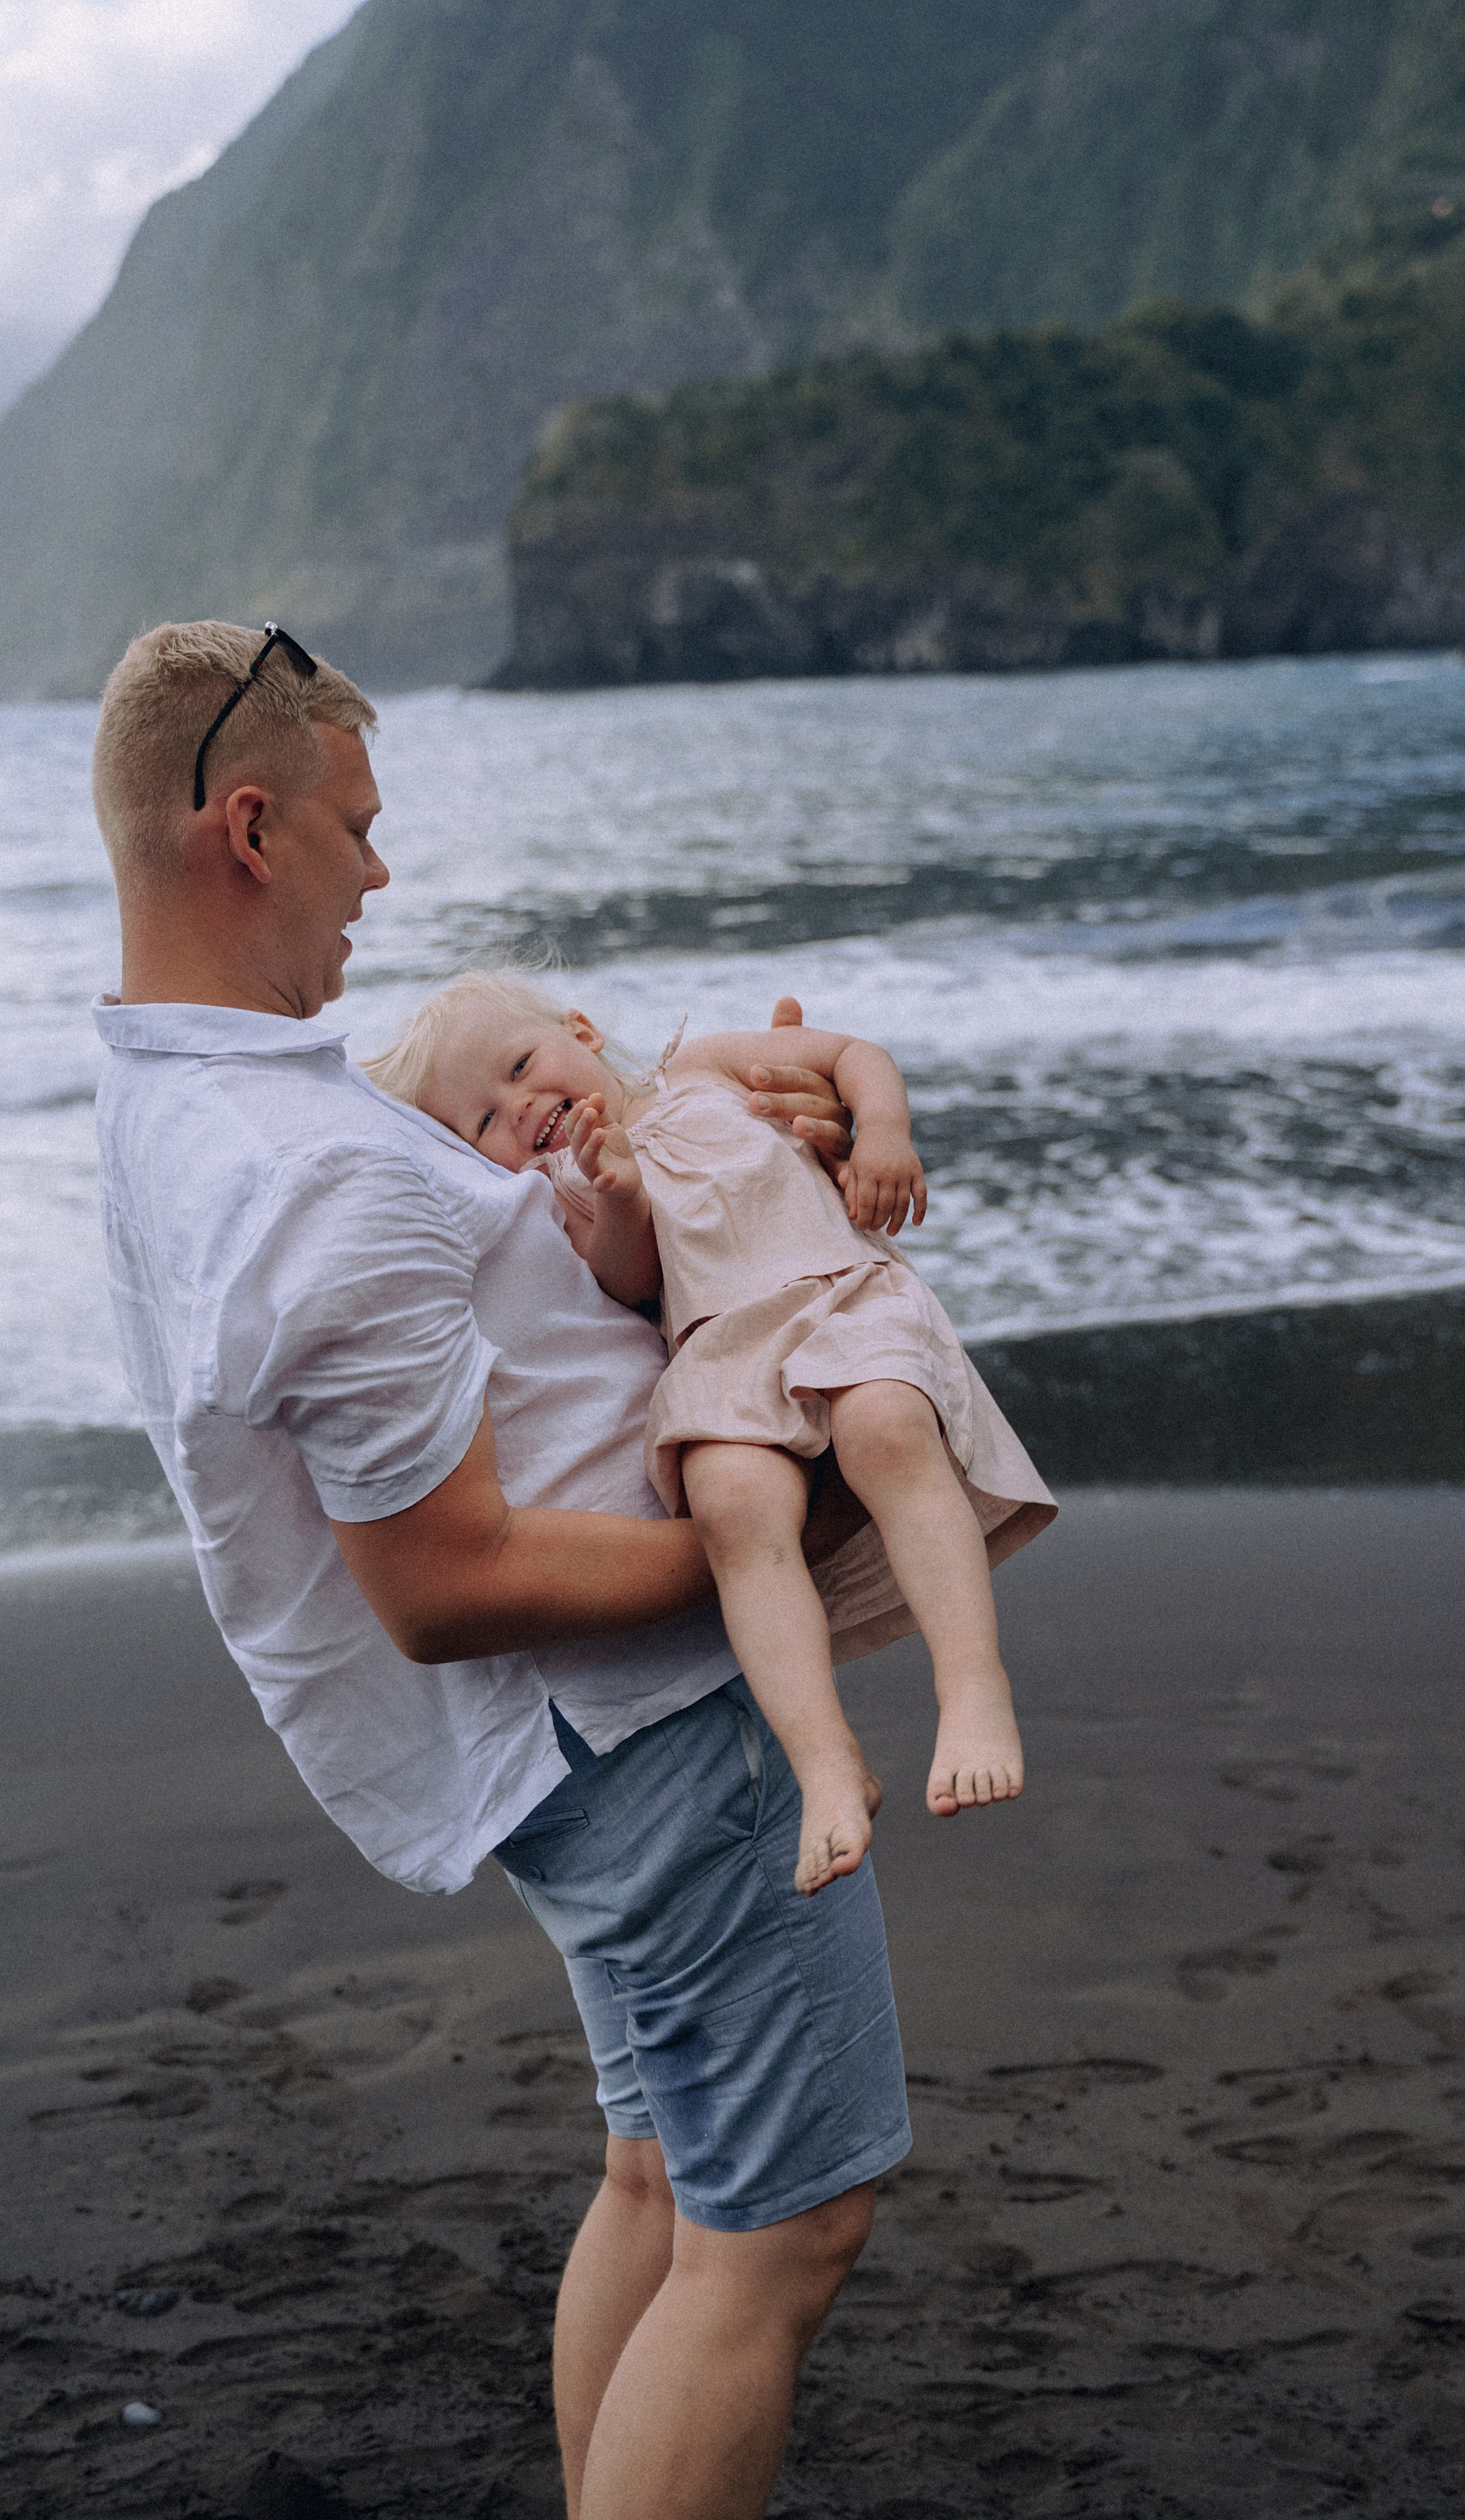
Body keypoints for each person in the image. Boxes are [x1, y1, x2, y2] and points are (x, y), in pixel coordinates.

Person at [89, 620, 918, 2520]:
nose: (382, 872)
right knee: (781, 2235)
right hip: (642, 1746)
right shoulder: (320, 1171)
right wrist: (764, 1548)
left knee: (661, 2181)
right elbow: (445, 1583)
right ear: (248, 828)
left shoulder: (195, 1097)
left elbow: (502, 1292)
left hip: (561, 1761)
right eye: (356, 829)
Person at [366, 973, 1056, 1897]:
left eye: (522, 1065)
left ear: (582, 1029)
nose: (521, 1105)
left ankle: (972, 1687)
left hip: (839, 1291)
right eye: (486, 1119)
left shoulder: (701, 1067)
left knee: (888, 1427)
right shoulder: (573, 1182)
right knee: (733, 1510)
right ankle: (825, 1764)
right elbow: (630, 1282)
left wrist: (882, 1129)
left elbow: (852, 1056)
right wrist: (615, 1198)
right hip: (721, 1352)